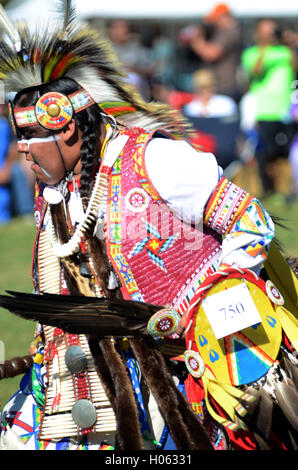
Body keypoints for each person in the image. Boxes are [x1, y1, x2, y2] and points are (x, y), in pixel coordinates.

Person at [0, 4, 297, 452]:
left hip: (191, 372)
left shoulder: (155, 160)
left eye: (30, 139)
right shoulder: (60, 191)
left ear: (66, 131)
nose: (21, 150)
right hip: (102, 380)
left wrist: (200, 311)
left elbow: (251, 224)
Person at [241, 19, 296, 196]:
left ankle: (287, 191)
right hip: (264, 110)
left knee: (286, 152)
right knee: (265, 153)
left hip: (286, 110)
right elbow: (256, 70)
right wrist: (265, 45)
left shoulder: (285, 51)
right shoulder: (252, 53)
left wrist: (291, 43)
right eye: (267, 31)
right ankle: (267, 191)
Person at [188, 3, 242, 100]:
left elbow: (211, 54)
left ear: (223, 16)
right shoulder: (224, 32)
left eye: (215, 19)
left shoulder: (229, 31)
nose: (213, 23)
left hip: (225, 87)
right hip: (221, 87)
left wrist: (196, 40)